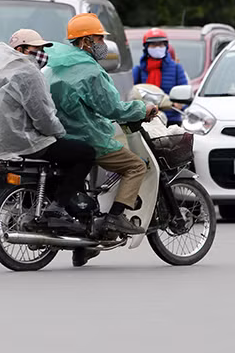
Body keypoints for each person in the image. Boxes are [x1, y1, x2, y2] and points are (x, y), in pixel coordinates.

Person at [46, 14, 157, 236]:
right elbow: (111, 109)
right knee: (136, 166)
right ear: (86, 41)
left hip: (60, 137)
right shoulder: (91, 71)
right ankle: (115, 218)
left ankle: (85, 242)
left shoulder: (55, 66)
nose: (103, 44)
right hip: (88, 137)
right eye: (99, 39)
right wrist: (141, 109)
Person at [0, 29, 95, 221]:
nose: (42, 53)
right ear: (22, 50)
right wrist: (60, 133)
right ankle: (59, 205)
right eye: (36, 48)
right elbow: (43, 116)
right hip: (24, 143)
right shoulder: (28, 72)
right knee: (85, 153)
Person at [131, 28, 188, 124]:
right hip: (146, 119)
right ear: (146, 47)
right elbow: (130, 95)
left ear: (166, 46)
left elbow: (185, 96)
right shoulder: (139, 70)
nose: (157, 47)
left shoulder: (177, 68)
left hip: (171, 119)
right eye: (153, 44)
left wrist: (180, 105)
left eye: (161, 44)